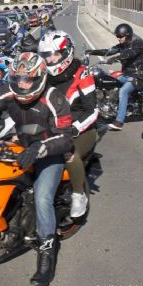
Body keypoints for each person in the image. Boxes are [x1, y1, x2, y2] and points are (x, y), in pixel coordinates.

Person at [0, 52, 73, 286]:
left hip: (49, 152)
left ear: (40, 78)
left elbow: (66, 139)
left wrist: (39, 150)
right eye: (18, 79)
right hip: (19, 145)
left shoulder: (54, 98)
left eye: (28, 80)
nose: (22, 85)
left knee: (43, 198)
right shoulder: (8, 91)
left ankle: (46, 253)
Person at [38, 31, 98, 218]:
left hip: (81, 130)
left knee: (68, 152)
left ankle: (79, 195)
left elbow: (93, 110)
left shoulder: (82, 74)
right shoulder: (43, 76)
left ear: (66, 52)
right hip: (51, 127)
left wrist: (74, 128)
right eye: (47, 55)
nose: (51, 59)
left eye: (55, 54)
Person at [87, 23, 143, 131]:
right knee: (108, 81)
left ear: (127, 35)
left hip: (137, 77)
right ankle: (109, 107)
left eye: (120, 36)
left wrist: (114, 59)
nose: (118, 39)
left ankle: (119, 122)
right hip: (126, 75)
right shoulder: (123, 44)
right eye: (117, 37)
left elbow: (129, 54)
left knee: (123, 91)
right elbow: (109, 51)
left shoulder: (137, 43)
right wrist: (92, 52)